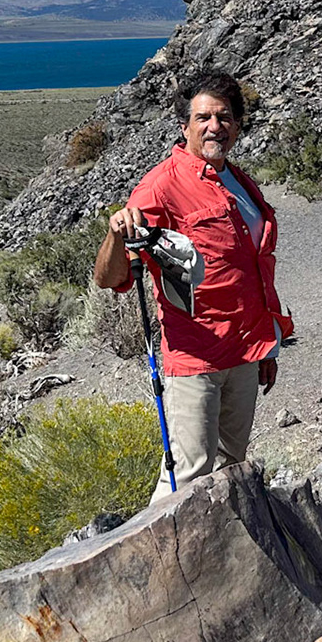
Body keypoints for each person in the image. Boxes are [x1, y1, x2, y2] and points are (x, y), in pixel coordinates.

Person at [93, 72, 291, 500]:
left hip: (245, 351)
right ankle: (157, 557)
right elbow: (110, 279)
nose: (214, 126)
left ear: (237, 125)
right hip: (195, 356)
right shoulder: (161, 186)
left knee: (231, 468)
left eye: (224, 117)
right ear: (185, 127)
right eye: (203, 117)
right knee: (189, 475)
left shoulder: (239, 181)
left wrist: (267, 347)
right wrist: (115, 234)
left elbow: (253, 271)